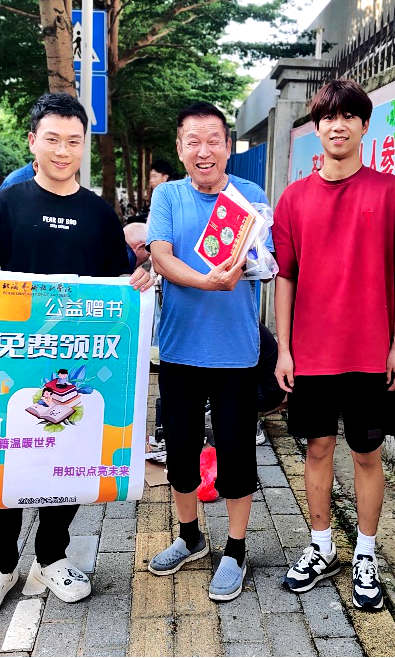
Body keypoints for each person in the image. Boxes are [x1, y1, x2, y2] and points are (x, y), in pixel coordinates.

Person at [0, 92, 154, 618]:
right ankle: (0, 565)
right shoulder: (6, 205)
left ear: (84, 146)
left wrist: (138, 281)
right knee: (4, 454)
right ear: (32, 141)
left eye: (74, 141)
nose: (63, 151)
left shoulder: (98, 214)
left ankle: (51, 557)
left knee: (70, 455)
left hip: (74, 361)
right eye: (53, 139)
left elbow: (117, 286)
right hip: (10, 359)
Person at [273, 79, 395, 610]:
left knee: (367, 453)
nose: (337, 126)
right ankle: (321, 546)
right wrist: (285, 350)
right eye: (327, 118)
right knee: (317, 448)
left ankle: (365, 552)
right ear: (317, 128)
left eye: (348, 117)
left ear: (364, 126)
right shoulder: (294, 199)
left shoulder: (392, 193)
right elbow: (285, 277)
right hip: (311, 353)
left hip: (368, 353)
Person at [147, 101, 272, 602]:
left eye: (213, 140)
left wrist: (254, 264)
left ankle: (236, 550)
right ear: (180, 149)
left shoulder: (250, 196)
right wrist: (206, 281)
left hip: (236, 353)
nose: (204, 151)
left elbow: (264, 261)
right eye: (193, 141)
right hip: (179, 349)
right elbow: (160, 256)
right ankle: (190, 537)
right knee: (180, 451)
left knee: (237, 453)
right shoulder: (168, 196)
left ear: (228, 147)